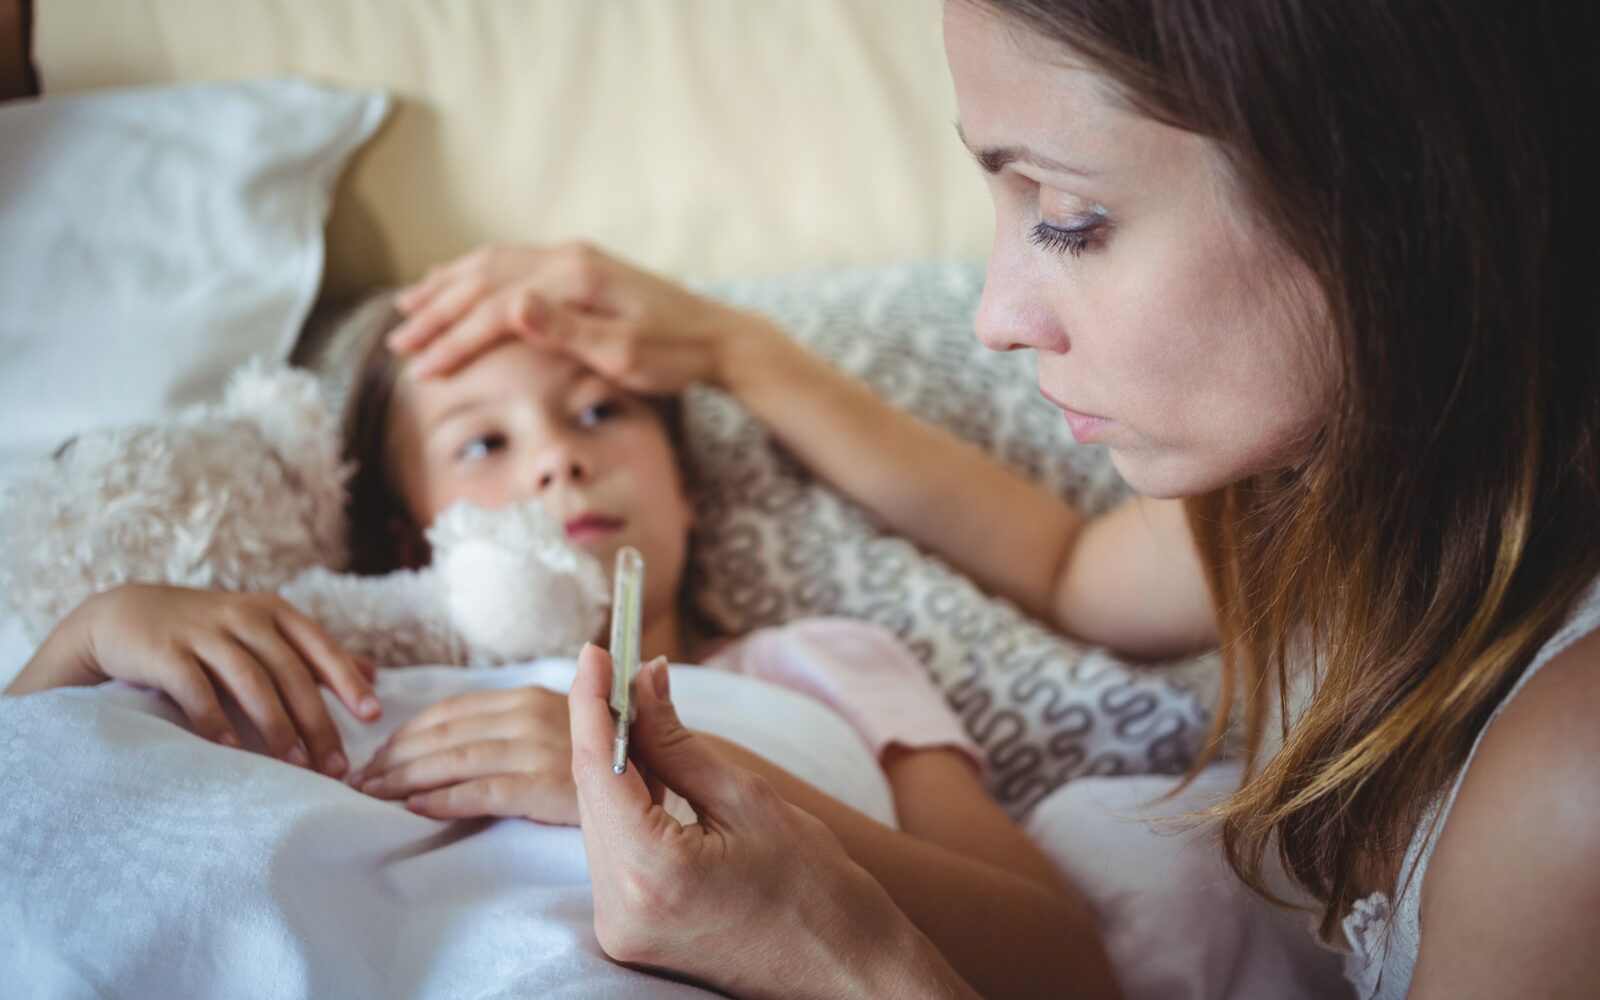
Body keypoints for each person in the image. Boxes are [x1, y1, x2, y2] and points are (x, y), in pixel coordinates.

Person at [387, 1, 1600, 997]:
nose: (994, 318)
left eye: (1070, 217)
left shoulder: (1570, 785)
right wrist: (732, 351)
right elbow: (1069, 568)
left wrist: (838, 953)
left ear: (1389, 199)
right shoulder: (1323, 486)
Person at [5, 294, 1113, 999]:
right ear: (409, 532)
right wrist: (88, 644)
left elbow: (1067, 966)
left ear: (684, 489)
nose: (557, 463)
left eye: (598, 413)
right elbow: (52, 845)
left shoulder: (823, 662)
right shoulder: (350, 667)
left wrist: (667, 781)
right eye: (483, 439)